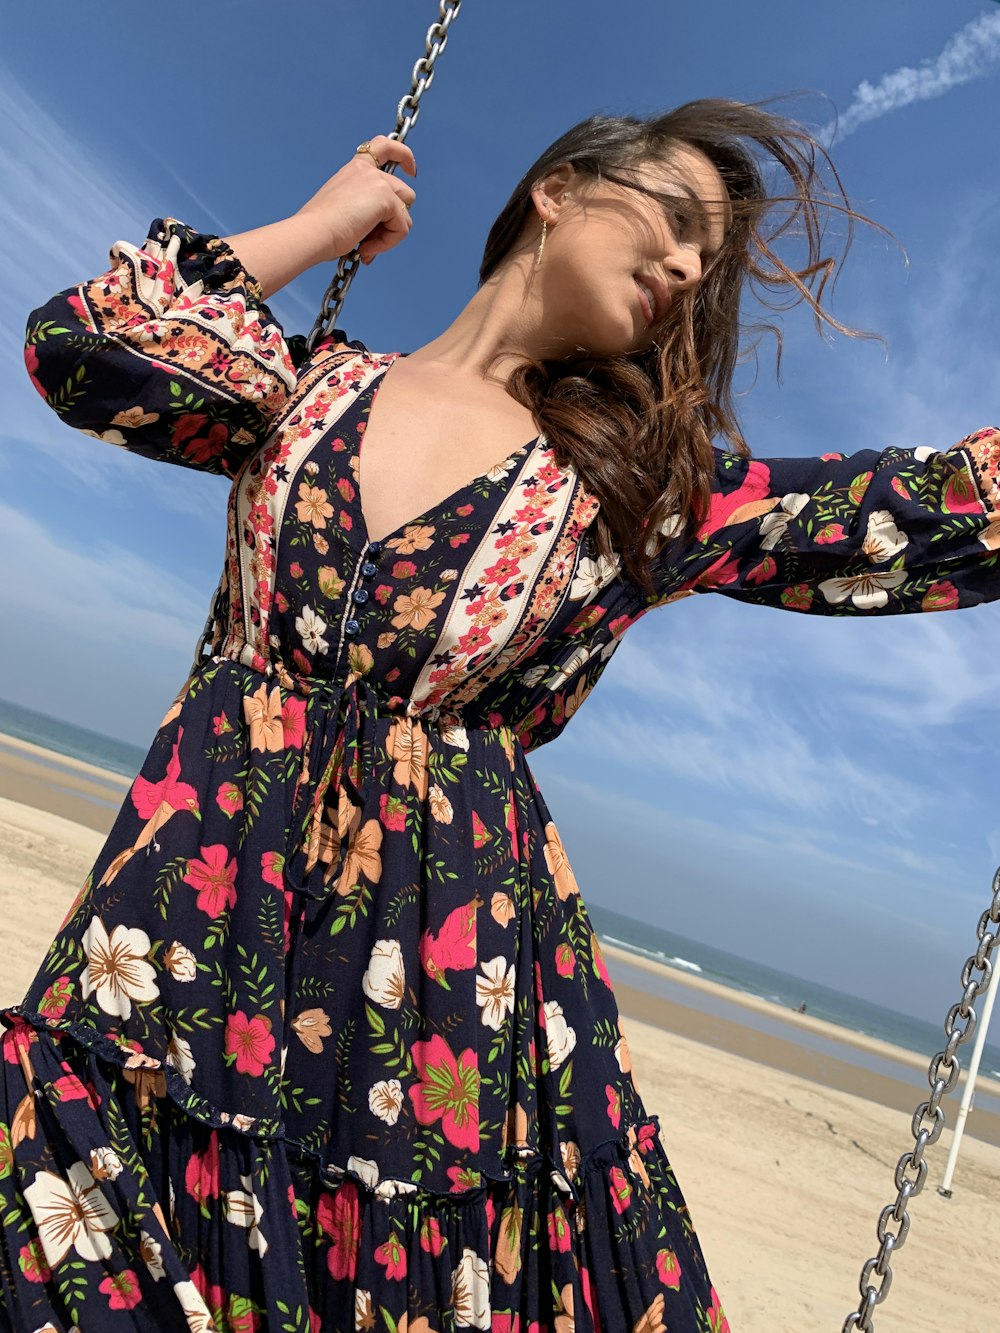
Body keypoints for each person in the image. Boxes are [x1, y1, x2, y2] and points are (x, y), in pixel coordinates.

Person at [2, 98, 997, 1333]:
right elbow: (87, 342)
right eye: (675, 221)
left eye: (710, 261)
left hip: (453, 1007)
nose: (690, 268)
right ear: (560, 189)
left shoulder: (648, 488)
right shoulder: (300, 390)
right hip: (177, 947)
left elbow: (923, 511)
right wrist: (323, 224)